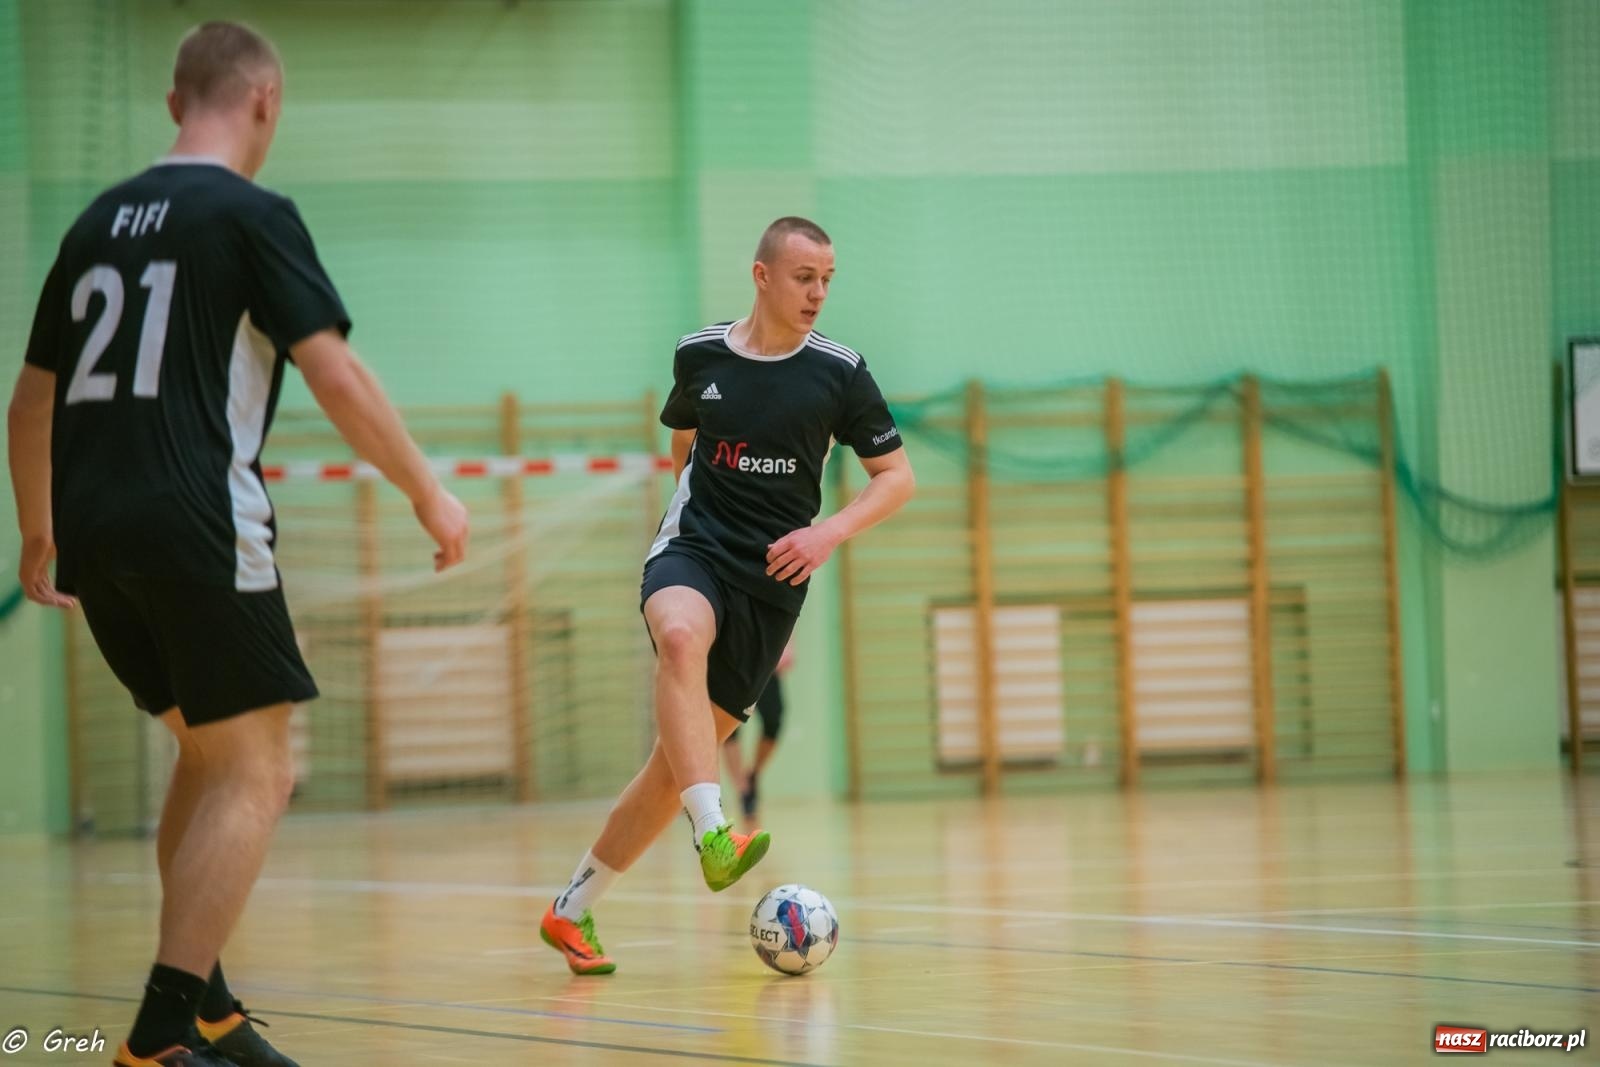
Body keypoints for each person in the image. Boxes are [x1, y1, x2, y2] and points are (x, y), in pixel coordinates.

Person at [6, 22, 469, 1067]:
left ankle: (209, 1008)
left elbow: (28, 402)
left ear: (177, 103)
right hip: (196, 524)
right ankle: (161, 1030)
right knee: (260, 770)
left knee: (209, 756)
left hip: (91, 530)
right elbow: (336, 375)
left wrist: (38, 526)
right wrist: (429, 492)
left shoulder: (92, 224)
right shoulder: (252, 215)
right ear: (264, 101)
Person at [539, 216, 914, 975]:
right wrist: (692, 514)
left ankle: (570, 911)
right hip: (693, 550)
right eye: (805, 277)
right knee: (679, 635)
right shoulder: (700, 352)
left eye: (828, 280)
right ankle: (715, 831)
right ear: (763, 275)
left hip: (774, 584)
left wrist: (826, 533)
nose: (818, 293)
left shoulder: (840, 371)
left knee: (670, 768)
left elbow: (897, 478)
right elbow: (684, 443)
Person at [723, 640, 792, 824]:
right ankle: (744, 791)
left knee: (773, 721)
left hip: (766, 662)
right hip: (731, 661)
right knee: (728, 727)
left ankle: (752, 776)